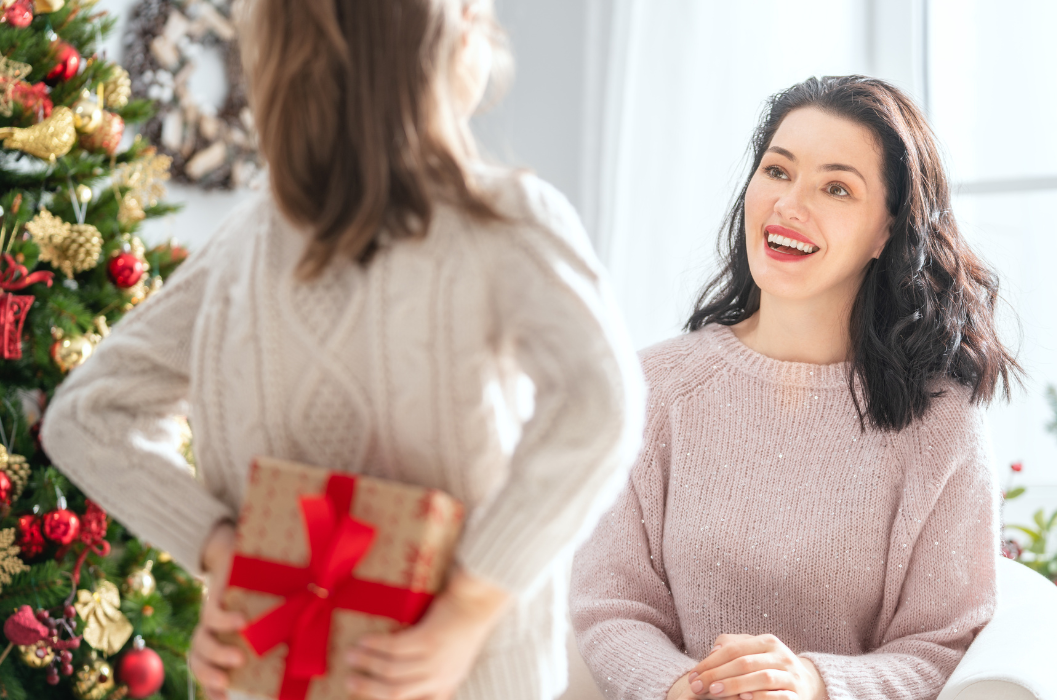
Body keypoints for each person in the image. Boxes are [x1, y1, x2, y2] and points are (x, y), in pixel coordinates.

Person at [40, 1, 645, 699]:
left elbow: (87, 415)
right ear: (446, 45)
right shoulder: (500, 221)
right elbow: (602, 405)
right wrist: (471, 602)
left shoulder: (245, 244)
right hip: (458, 678)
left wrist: (223, 551)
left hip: (278, 666)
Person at [570, 75, 1020, 700]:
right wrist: (683, 689)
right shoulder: (652, 388)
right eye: (777, 172)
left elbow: (942, 643)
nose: (789, 204)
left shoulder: (941, 419)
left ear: (886, 232)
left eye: (836, 187)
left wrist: (812, 684)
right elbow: (612, 605)